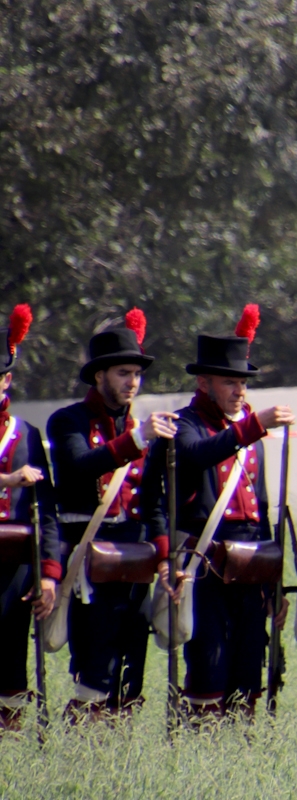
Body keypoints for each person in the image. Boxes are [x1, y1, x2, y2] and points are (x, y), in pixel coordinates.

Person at [47, 309, 177, 723]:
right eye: (123, 373)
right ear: (99, 375)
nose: (132, 382)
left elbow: (152, 502)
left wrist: (164, 556)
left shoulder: (144, 430)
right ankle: (85, 739)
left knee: (131, 666)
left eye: (136, 374)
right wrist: (137, 439)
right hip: (89, 559)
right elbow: (80, 465)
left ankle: (114, 742)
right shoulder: (67, 421)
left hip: (134, 561)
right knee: (95, 664)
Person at [166, 304, 293, 723]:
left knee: (247, 667)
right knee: (207, 667)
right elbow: (196, 454)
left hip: (253, 564)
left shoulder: (247, 433)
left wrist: (275, 580)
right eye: (229, 382)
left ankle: (240, 748)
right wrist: (251, 427)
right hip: (206, 562)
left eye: (242, 382)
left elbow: (264, 513)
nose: (239, 390)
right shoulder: (186, 425)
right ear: (204, 383)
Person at [0, 305, 61, 733]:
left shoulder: (27, 434)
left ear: (7, 379)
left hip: (14, 570)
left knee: (10, 662)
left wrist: (49, 575)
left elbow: (47, 511)